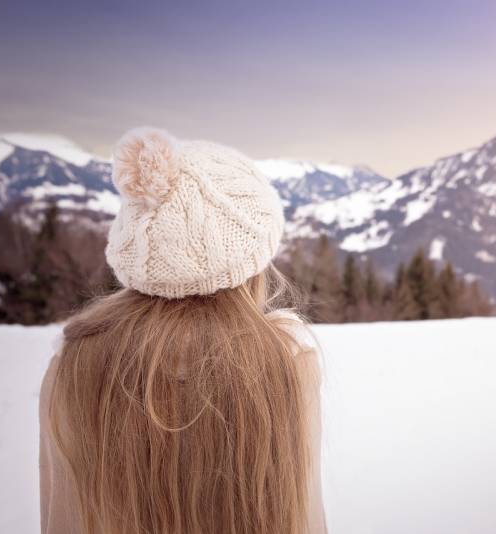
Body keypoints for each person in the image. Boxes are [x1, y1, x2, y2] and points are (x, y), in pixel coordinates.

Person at [38, 128, 326, 534]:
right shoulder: (286, 363)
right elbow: (304, 518)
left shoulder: (76, 364)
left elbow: (59, 518)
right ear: (252, 268)